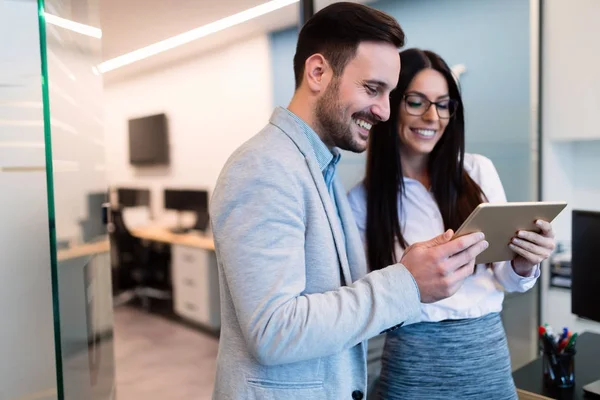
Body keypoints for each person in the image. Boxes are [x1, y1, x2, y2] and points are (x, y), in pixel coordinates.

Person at [209, 4, 489, 399]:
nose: (384, 111)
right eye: (373, 89)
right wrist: (407, 282)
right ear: (318, 72)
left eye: (390, 94)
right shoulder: (263, 168)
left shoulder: (319, 168)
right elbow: (274, 331)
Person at [348, 48, 557, 400]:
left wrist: (523, 263)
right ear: (391, 105)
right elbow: (366, 304)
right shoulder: (362, 201)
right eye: (416, 102)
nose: (432, 116)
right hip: (413, 366)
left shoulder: (477, 171)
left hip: (485, 356)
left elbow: (504, 279)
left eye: (444, 104)